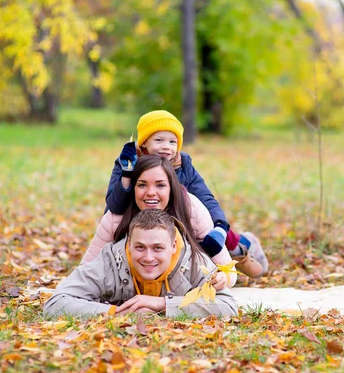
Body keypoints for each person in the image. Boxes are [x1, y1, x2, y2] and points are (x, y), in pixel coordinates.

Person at [105, 110, 268, 277]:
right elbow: (114, 207)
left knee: (212, 232)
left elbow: (205, 199)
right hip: (142, 223)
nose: (166, 147)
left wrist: (220, 227)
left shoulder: (183, 166)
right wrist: (127, 174)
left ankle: (240, 247)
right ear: (144, 143)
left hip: (181, 221)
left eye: (172, 142)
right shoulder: (128, 163)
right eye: (159, 140)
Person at [44, 209, 237, 318]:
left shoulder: (195, 262)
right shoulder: (111, 260)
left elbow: (228, 306)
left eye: (158, 248)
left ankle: (244, 248)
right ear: (128, 245)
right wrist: (115, 312)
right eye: (140, 247)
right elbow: (55, 303)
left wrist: (162, 304)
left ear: (173, 246)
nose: (148, 257)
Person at [82, 155, 236, 290]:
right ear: (133, 188)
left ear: (171, 188)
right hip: (132, 289)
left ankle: (245, 250)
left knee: (237, 244)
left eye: (160, 185)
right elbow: (85, 271)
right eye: (142, 185)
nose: (150, 192)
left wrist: (223, 278)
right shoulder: (116, 217)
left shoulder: (192, 208)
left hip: (185, 281)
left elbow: (228, 270)